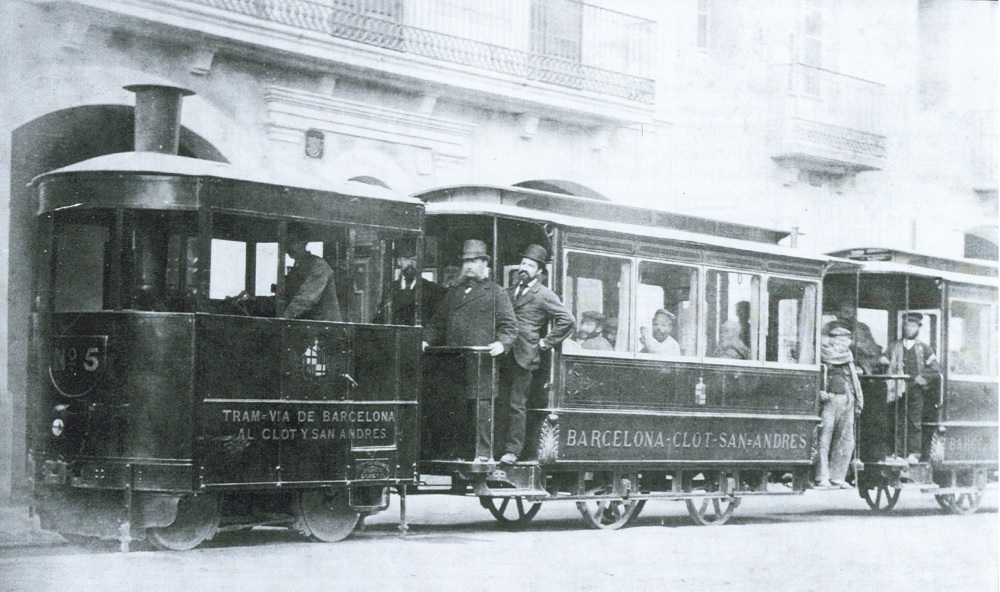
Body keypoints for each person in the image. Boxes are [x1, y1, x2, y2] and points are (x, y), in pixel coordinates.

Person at [424, 239, 518, 461]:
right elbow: (437, 323)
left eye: (474, 261)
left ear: (485, 264)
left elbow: (509, 325)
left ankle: (483, 455)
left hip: (481, 363)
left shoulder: (496, 292)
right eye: (466, 261)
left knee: (480, 410)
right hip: (454, 363)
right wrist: (425, 340)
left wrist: (502, 343)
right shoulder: (454, 293)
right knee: (455, 409)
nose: (468, 266)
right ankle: (457, 455)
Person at [498, 244, 575, 464]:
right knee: (501, 402)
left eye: (530, 265)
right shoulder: (509, 291)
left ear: (539, 271)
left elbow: (568, 321)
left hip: (525, 356)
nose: (524, 268)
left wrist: (544, 343)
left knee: (516, 404)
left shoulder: (544, 295)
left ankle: (513, 451)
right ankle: (498, 448)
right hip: (504, 354)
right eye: (523, 263)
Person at [885, 312, 940, 464]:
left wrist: (919, 379)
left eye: (913, 326)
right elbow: (884, 362)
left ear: (918, 328)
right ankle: (898, 452)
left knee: (914, 421)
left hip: (915, 390)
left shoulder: (924, 348)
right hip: (896, 389)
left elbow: (934, 369)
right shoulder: (893, 347)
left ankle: (914, 453)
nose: (909, 329)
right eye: (907, 325)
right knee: (897, 419)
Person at [815, 324, 864, 489]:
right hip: (829, 401)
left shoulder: (848, 358)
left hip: (847, 400)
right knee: (824, 438)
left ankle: (838, 477)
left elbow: (853, 381)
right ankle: (822, 476)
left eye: (845, 341)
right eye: (839, 341)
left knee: (846, 439)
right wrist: (818, 392)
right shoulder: (821, 355)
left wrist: (856, 399)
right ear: (831, 341)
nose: (842, 344)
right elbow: (815, 376)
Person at [282, 224, 342, 321]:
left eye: (292, 242)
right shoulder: (298, 266)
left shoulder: (318, 265)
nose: (287, 247)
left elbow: (306, 299)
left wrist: (282, 318)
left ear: (304, 242)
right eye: (286, 242)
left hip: (324, 329)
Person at [373, 248, 444, 325]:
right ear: (399, 262)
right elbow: (381, 317)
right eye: (405, 260)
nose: (410, 263)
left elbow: (436, 321)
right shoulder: (390, 288)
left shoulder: (431, 288)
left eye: (414, 259)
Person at [824, 302, 884, 374]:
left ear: (854, 314)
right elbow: (822, 343)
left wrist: (856, 344)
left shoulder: (862, 328)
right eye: (841, 312)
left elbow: (873, 350)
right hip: (835, 367)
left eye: (848, 312)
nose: (844, 316)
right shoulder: (830, 327)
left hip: (860, 368)